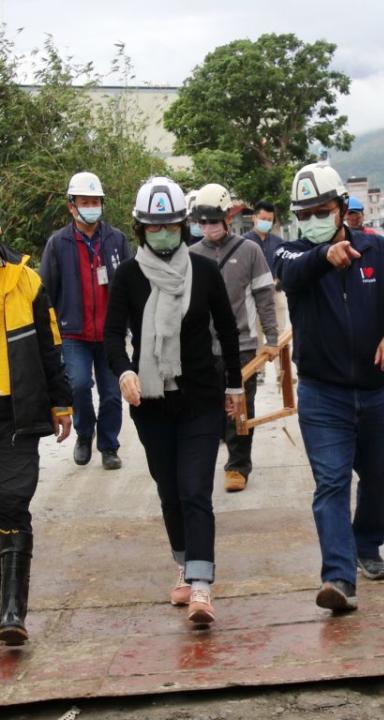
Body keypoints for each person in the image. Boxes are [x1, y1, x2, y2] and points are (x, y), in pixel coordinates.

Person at [275, 163, 384, 612]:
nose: (314, 218)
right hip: (323, 394)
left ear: (340, 208)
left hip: (377, 391)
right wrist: (324, 257)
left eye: (322, 210)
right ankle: (338, 578)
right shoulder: (289, 255)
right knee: (331, 482)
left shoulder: (376, 250)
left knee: (378, 477)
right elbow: (294, 273)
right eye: (306, 212)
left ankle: (367, 546)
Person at [104, 177, 242, 628]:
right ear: (140, 229)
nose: (162, 234)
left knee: (194, 490)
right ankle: (183, 564)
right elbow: (111, 335)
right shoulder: (127, 276)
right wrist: (124, 370)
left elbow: (226, 330)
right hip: (151, 403)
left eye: (170, 226)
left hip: (201, 398)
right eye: (153, 227)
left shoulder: (203, 272)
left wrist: (235, 389)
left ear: (183, 226)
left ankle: (202, 586)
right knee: (168, 491)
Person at [0, 232, 73, 646]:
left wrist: (61, 401)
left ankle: (11, 610)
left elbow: (50, 345)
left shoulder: (26, 281)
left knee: (12, 500)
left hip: (15, 412)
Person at [190, 184, 278, 493]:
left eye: (213, 221)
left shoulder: (250, 251)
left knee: (241, 407)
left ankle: (238, 465)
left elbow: (265, 296)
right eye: (202, 222)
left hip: (242, 347)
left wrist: (272, 339)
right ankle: (208, 457)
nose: (208, 228)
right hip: (203, 348)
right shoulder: (192, 254)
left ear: (228, 217)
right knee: (207, 408)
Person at [40, 171, 130, 470]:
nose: (91, 206)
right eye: (85, 201)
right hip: (73, 333)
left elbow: (130, 284)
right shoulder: (58, 243)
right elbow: (47, 292)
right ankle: (83, 434)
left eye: (96, 201)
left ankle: (108, 446)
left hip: (110, 333)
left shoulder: (116, 239)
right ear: (72, 206)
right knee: (78, 385)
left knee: (111, 393)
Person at [242, 200, 286, 385]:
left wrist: (280, 281)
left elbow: (285, 267)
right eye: (263, 218)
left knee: (280, 330)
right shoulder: (244, 242)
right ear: (254, 218)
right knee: (257, 332)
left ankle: (282, 371)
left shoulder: (278, 242)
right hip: (253, 294)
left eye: (269, 219)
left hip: (275, 292)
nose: (266, 222)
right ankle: (258, 370)